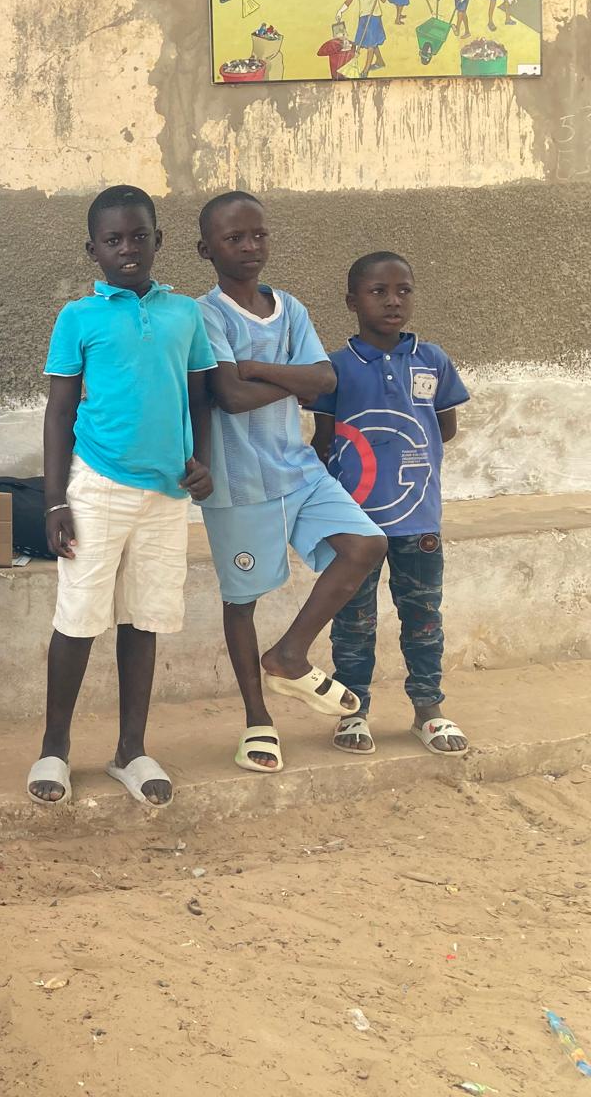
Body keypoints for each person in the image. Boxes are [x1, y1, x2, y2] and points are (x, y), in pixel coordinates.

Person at [28, 186, 215, 808]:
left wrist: (202, 462)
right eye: (113, 240)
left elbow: (198, 397)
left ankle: (130, 749)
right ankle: (54, 748)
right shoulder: (78, 318)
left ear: (159, 241)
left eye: (139, 236)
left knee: (145, 618)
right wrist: (55, 501)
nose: (127, 249)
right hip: (98, 486)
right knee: (78, 618)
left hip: (167, 494)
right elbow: (58, 413)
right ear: (94, 250)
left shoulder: (184, 314)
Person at [194, 192, 386, 774]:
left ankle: (289, 654)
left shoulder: (292, 308)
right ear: (207, 249)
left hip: (298, 468)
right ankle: (258, 720)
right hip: (237, 481)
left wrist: (254, 368)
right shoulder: (204, 314)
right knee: (242, 600)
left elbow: (324, 378)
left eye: (259, 235)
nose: (250, 247)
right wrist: (287, 379)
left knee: (365, 545)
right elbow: (227, 396)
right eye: (234, 238)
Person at [309, 252, 471, 758]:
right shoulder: (334, 368)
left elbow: (443, 426)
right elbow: (323, 440)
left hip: (418, 521)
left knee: (423, 615)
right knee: (353, 619)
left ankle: (428, 709)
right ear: (352, 301)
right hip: (355, 527)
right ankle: (353, 711)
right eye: (378, 291)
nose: (393, 300)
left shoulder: (432, 360)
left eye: (403, 289)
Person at [338, 0, 388, 74]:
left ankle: (365, 71)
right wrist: (341, 11)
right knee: (365, 42)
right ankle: (380, 61)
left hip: (374, 16)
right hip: (363, 17)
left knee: (370, 44)